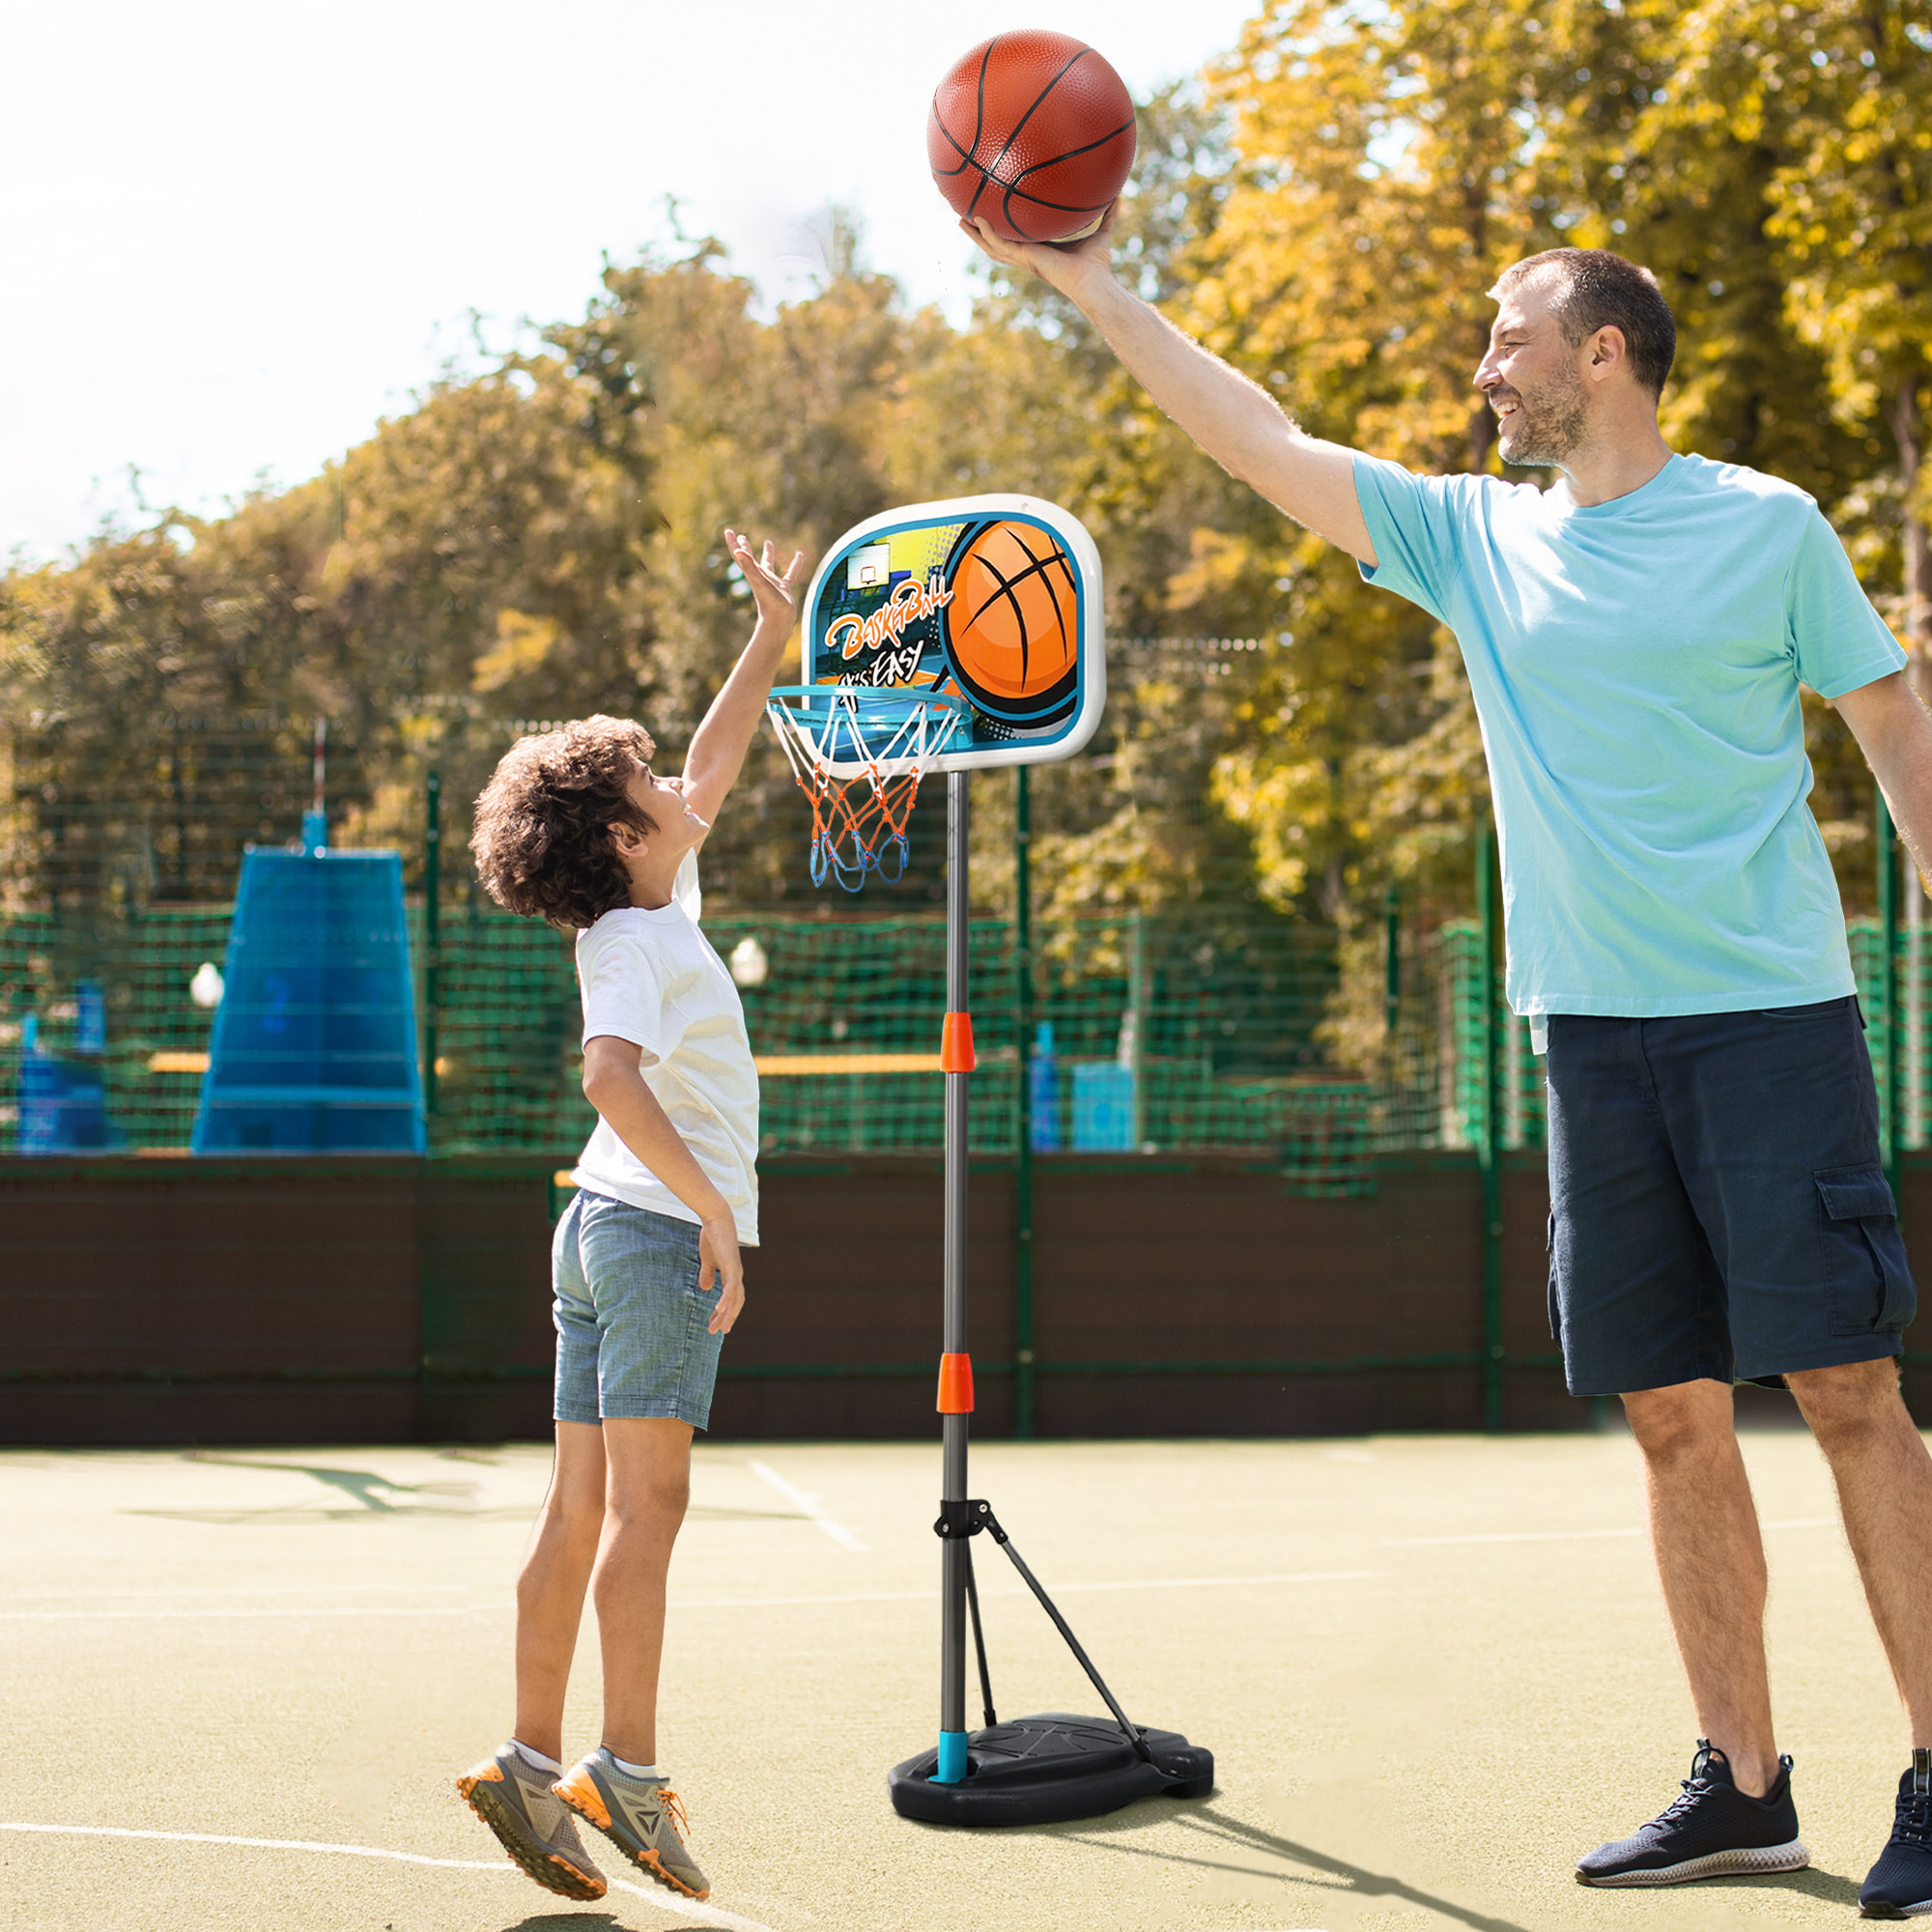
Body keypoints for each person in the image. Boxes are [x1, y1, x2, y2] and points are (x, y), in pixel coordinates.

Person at [963, 210, 1932, 1913]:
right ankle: (1747, 1788)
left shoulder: (1766, 528)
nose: (1485, 369)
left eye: (1510, 339)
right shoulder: (1475, 539)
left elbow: (1888, 715)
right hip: (1589, 1037)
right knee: (1669, 1416)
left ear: (1601, 353)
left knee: (1850, 1397)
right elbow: (1258, 438)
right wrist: (1087, 283)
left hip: (1775, 1024)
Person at [454, 528, 805, 1905]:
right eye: (647, 780)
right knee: (648, 1512)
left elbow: (713, 758)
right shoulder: (634, 944)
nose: (677, 783)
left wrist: (769, 628)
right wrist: (713, 1209)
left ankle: (528, 1769)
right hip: (652, 1236)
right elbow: (606, 1072)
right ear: (617, 833)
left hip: (598, 1227)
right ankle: (627, 1774)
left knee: (580, 1502)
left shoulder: (659, 891)